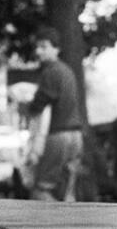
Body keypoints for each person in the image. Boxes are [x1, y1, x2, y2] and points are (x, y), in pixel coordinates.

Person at [24, 26, 84, 201]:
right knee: (67, 192)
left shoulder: (51, 72)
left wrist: (26, 106)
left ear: (57, 48)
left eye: (44, 47)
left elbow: (38, 106)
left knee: (40, 190)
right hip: (76, 137)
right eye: (37, 47)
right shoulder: (67, 71)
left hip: (58, 136)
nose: (38, 51)